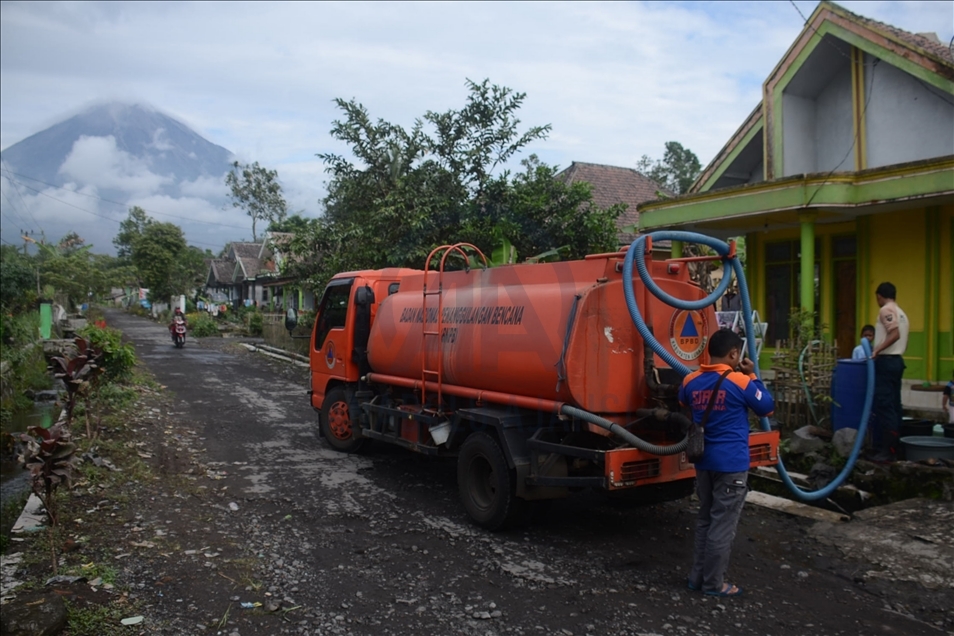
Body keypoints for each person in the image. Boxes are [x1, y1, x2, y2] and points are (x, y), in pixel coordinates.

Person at [680, 329, 774, 598]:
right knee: (722, 524)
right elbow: (767, 407)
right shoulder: (740, 382)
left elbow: (682, 401)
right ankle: (713, 584)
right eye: (737, 354)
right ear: (734, 353)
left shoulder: (690, 380)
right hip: (731, 464)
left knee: (705, 519)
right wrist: (752, 375)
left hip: (703, 461)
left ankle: (696, 578)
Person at [869, 282, 909, 462]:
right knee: (894, 405)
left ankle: (888, 450)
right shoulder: (902, 314)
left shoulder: (886, 310)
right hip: (897, 362)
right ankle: (895, 447)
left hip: (886, 362)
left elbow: (894, 334)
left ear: (879, 296)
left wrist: (876, 350)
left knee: (885, 405)